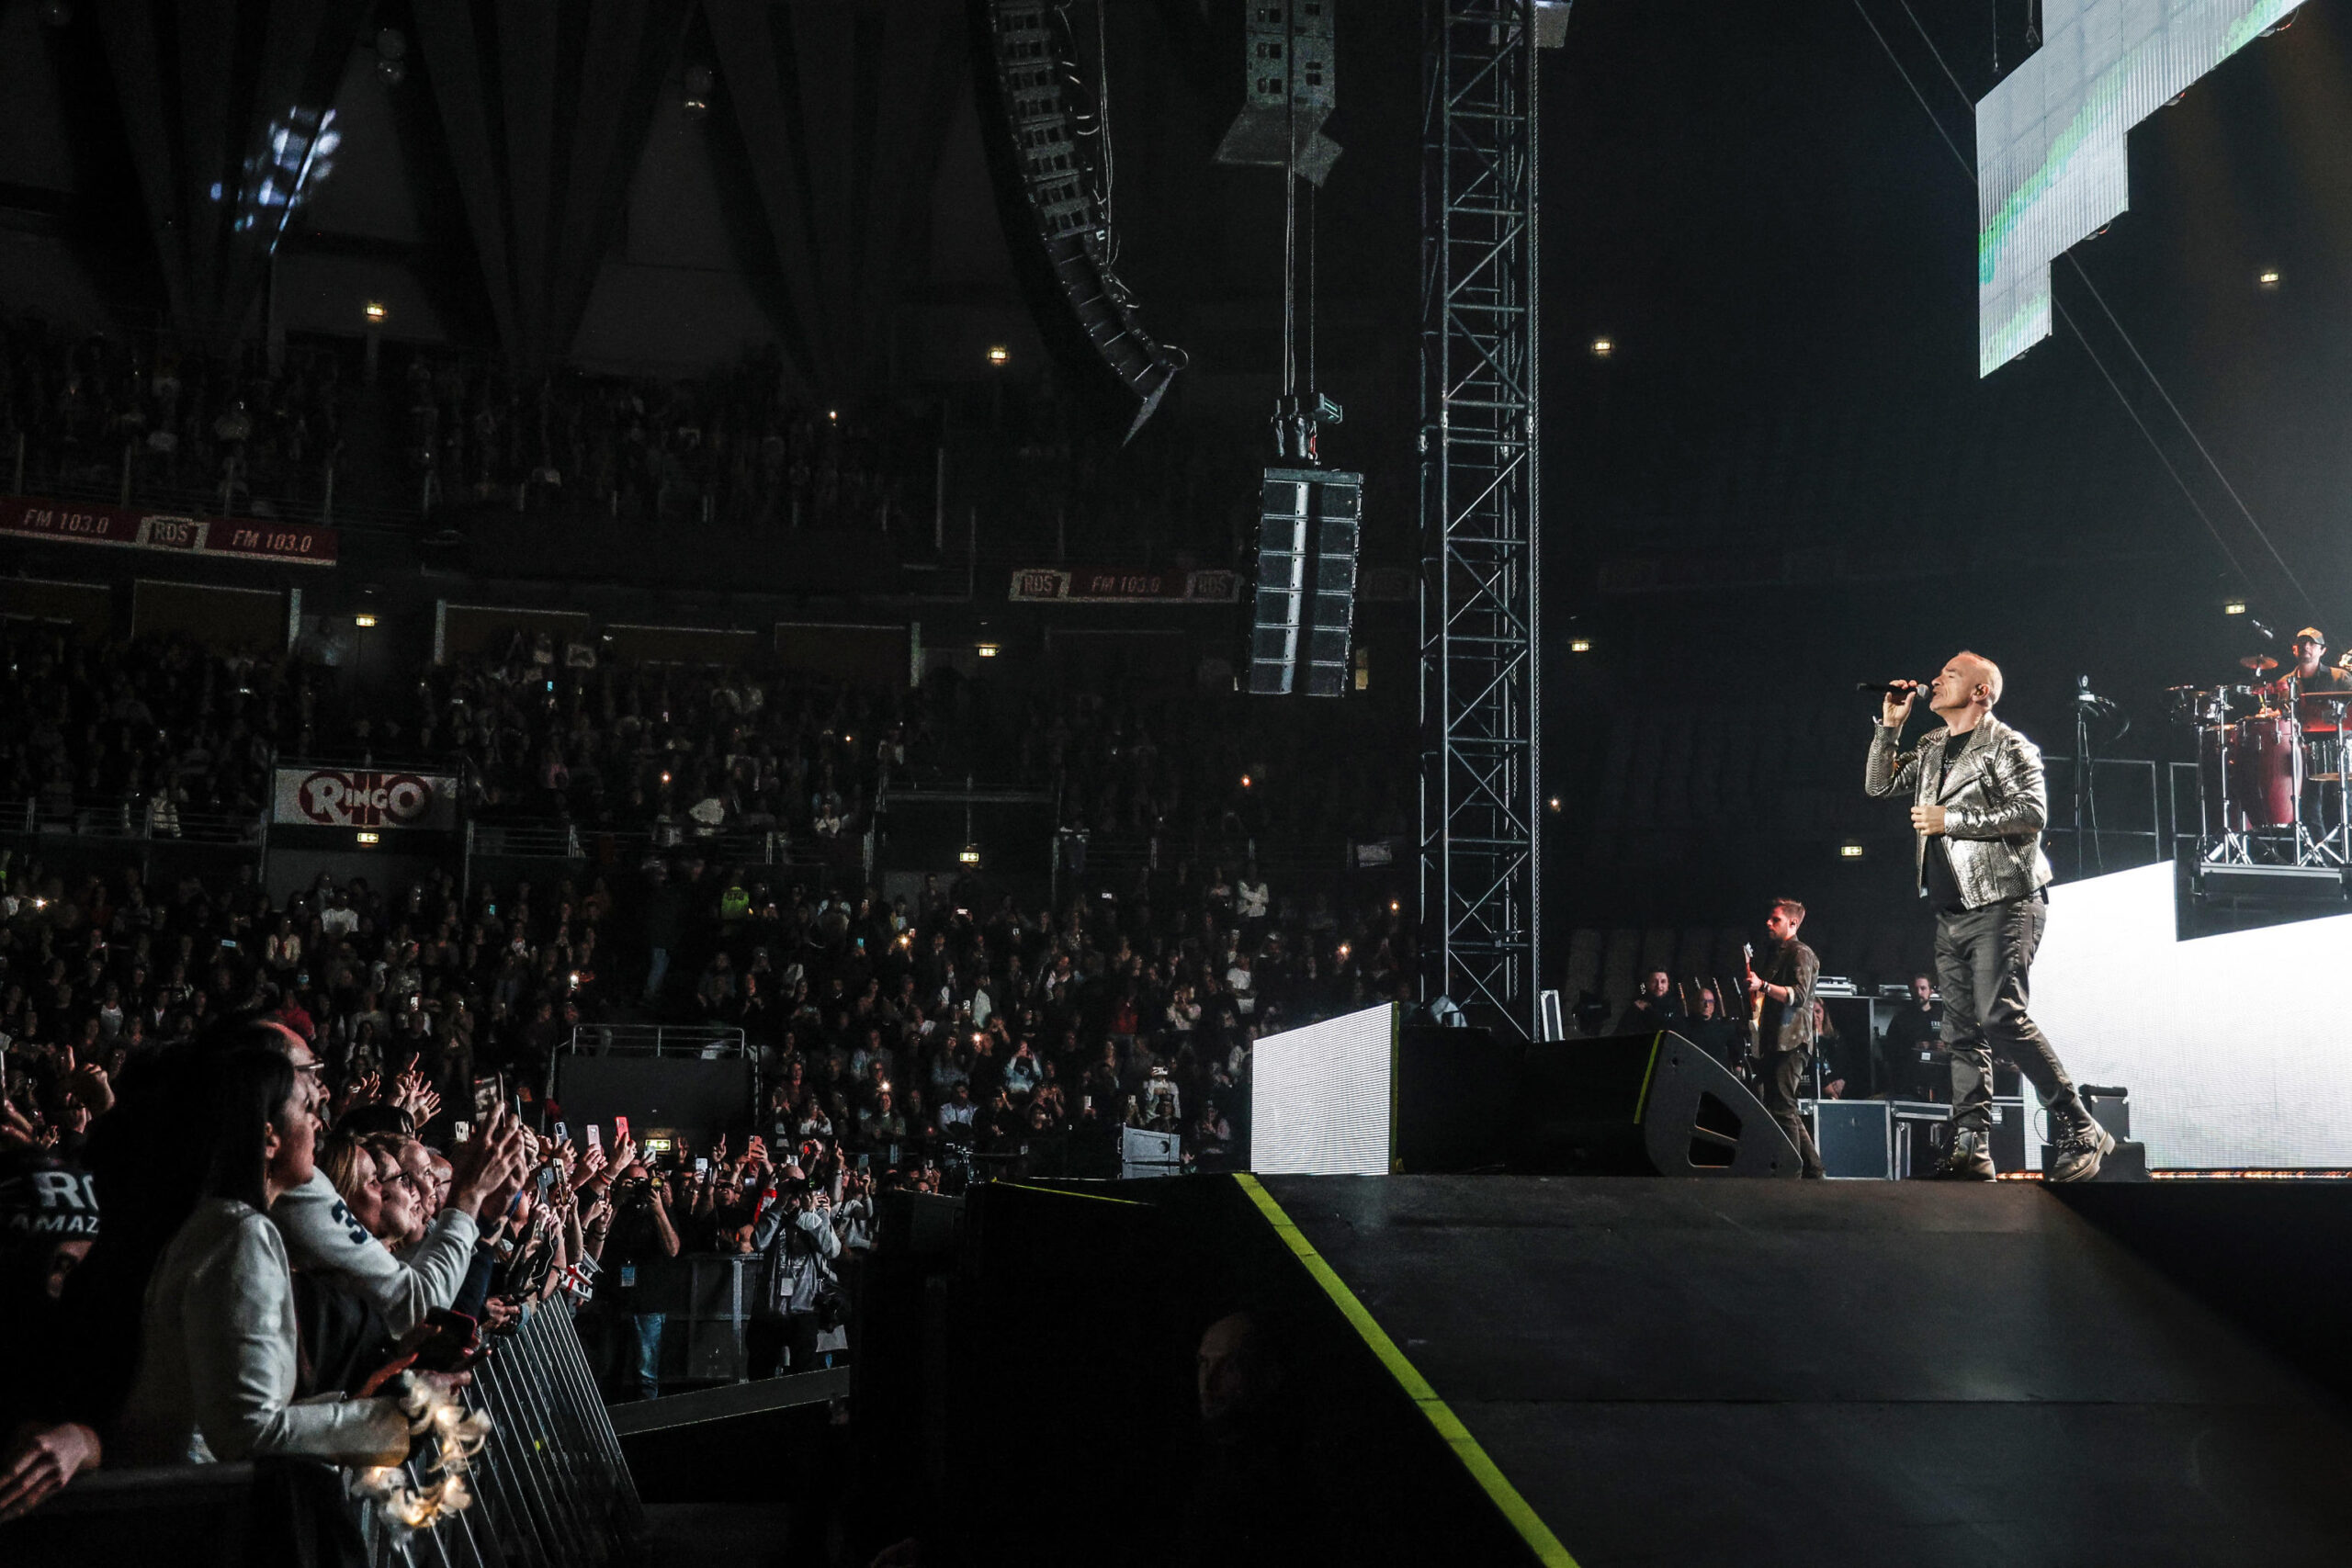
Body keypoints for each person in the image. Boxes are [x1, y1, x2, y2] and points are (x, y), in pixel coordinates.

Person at [1866, 653, 2112, 1180]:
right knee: (1960, 1032)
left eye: (1950, 674)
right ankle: (1972, 1148)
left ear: (1981, 692)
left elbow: (2032, 814)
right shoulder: (1933, 746)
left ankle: (2081, 1126)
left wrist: (1949, 818)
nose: (1935, 679)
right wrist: (1891, 727)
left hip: (2006, 901)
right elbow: (1879, 785)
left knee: (2000, 1016)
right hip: (1951, 911)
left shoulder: (2008, 745)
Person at [112, 1045, 415, 1465]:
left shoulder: (228, 1223)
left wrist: (360, 1401)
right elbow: (247, 1431)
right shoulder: (237, 1233)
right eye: (306, 1108)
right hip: (189, 1502)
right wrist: (398, 1420)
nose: (316, 1122)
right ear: (269, 1135)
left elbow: (252, 1408)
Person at [1743, 899, 1824, 1179]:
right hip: (1776, 1040)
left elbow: (1799, 996)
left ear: (1793, 923)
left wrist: (1763, 985)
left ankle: (1792, 1172)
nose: (1768, 923)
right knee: (1782, 1105)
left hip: (1792, 1042)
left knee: (1783, 1105)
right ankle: (1813, 1170)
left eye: (1775, 919)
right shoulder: (1777, 954)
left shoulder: (1800, 953)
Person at [748, 1177, 842, 1378]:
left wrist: (807, 1214)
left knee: (804, 1372)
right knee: (760, 1371)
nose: (795, 1192)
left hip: (804, 1308)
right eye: (790, 1184)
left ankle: (802, 1410)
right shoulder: (772, 1214)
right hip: (769, 1310)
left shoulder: (816, 1216)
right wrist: (780, 1202)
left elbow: (832, 1250)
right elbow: (758, 1243)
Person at [1881, 975, 1946, 1102]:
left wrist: (1945, 1047)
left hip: (1940, 1085)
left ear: (1931, 991)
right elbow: (1889, 1051)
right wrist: (1913, 1047)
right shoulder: (1901, 1019)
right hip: (1909, 1085)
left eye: (1923, 988)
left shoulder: (1943, 1017)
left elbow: (1957, 1045)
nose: (1919, 993)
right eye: (1916, 989)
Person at [1612, 969, 1682, 1034]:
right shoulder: (1636, 1009)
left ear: (1668, 985)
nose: (1659, 986)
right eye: (1654, 982)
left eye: (1663, 982)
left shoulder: (1675, 1008)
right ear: (1647, 984)